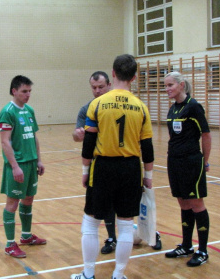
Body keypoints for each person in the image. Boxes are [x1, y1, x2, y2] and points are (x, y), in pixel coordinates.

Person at [71, 54, 155, 279]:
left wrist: (85, 172)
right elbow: (147, 147)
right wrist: (148, 175)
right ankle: (118, 275)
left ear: (113, 74)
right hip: (130, 169)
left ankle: (88, 274)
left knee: (90, 222)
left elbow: (88, 144)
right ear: (134, 77)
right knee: (126, 225)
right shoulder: (141, 107)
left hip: (103, 168)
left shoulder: (97, 105)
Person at [163, 71, 212, 267]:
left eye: (170, 85)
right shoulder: (172, 109)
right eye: (165, 86)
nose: (167, 89)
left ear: (181, 85)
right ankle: (186, 245)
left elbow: (206, 135)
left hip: (191, 162)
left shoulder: (193, 107)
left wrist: (204, 161)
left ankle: (202, 250)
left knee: (196, 204)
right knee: (183, 204)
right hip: (174, 162)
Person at [0, 75, 46, 258]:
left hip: (31, 163)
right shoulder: (8, 112)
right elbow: (5, 142)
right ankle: (10, 244)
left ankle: (26, 236)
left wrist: (39, 160)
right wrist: (15, 166)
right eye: (24, 91)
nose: (28, 95)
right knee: (12, 204)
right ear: (14, 91)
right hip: (17, 165)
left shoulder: (29, 111)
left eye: (29, 91)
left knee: (28, 200)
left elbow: (34, 137)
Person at [73, 71, 119, 254]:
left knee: (128, 203)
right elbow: (76, 135)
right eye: (94, 88)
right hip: (98, 163)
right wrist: (77, 135)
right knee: (103, 203)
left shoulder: (120, 104)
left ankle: (148, 230)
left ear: (109, 84)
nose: (97, 91)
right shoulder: (86, 109)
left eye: (101, 87)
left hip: (121, 160)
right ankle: (111, 238)